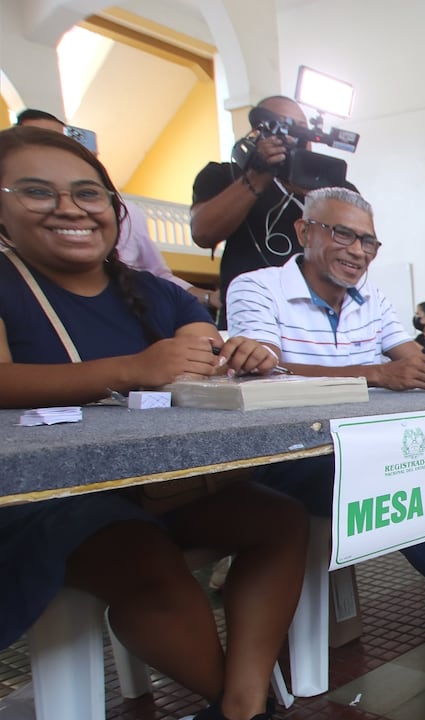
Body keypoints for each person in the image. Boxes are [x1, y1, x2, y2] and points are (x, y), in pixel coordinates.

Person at [0, 126, 309, 720]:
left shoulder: (154, 292)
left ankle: (241, 705)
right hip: (42, 494)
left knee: (279, 518)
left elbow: (204, 347)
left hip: (148, 484)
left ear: (115, 212)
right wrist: (132, 369)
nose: (70, 208)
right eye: (38, 192)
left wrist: (240, 359)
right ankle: (244, 707)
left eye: (88, 195)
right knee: (137, 552)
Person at [226, 187, 425, 656]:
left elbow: (410, 356)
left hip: (367, 444)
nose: (357, 251)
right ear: (304, 231)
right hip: (290, 454)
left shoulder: (370, 298)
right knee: (394, 482)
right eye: (342, 234)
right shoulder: (257, 287)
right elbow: (264, 370)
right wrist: (376, 373)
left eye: (368, 242)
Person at [16, 108, 219, 311]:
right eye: (39, 142)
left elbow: (157, 274)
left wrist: (209, 298)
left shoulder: (127, 213)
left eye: (61, 142)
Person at [190, 96, 356, 327]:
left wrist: (314, 196)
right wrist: (258, 176)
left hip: (320, 321)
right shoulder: (223, 175)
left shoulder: (333, 185)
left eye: (302, 130)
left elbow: (355, 246)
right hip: (252, 318)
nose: (294, 138)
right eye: (285, 127)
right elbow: (203, 232)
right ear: (259, 131)